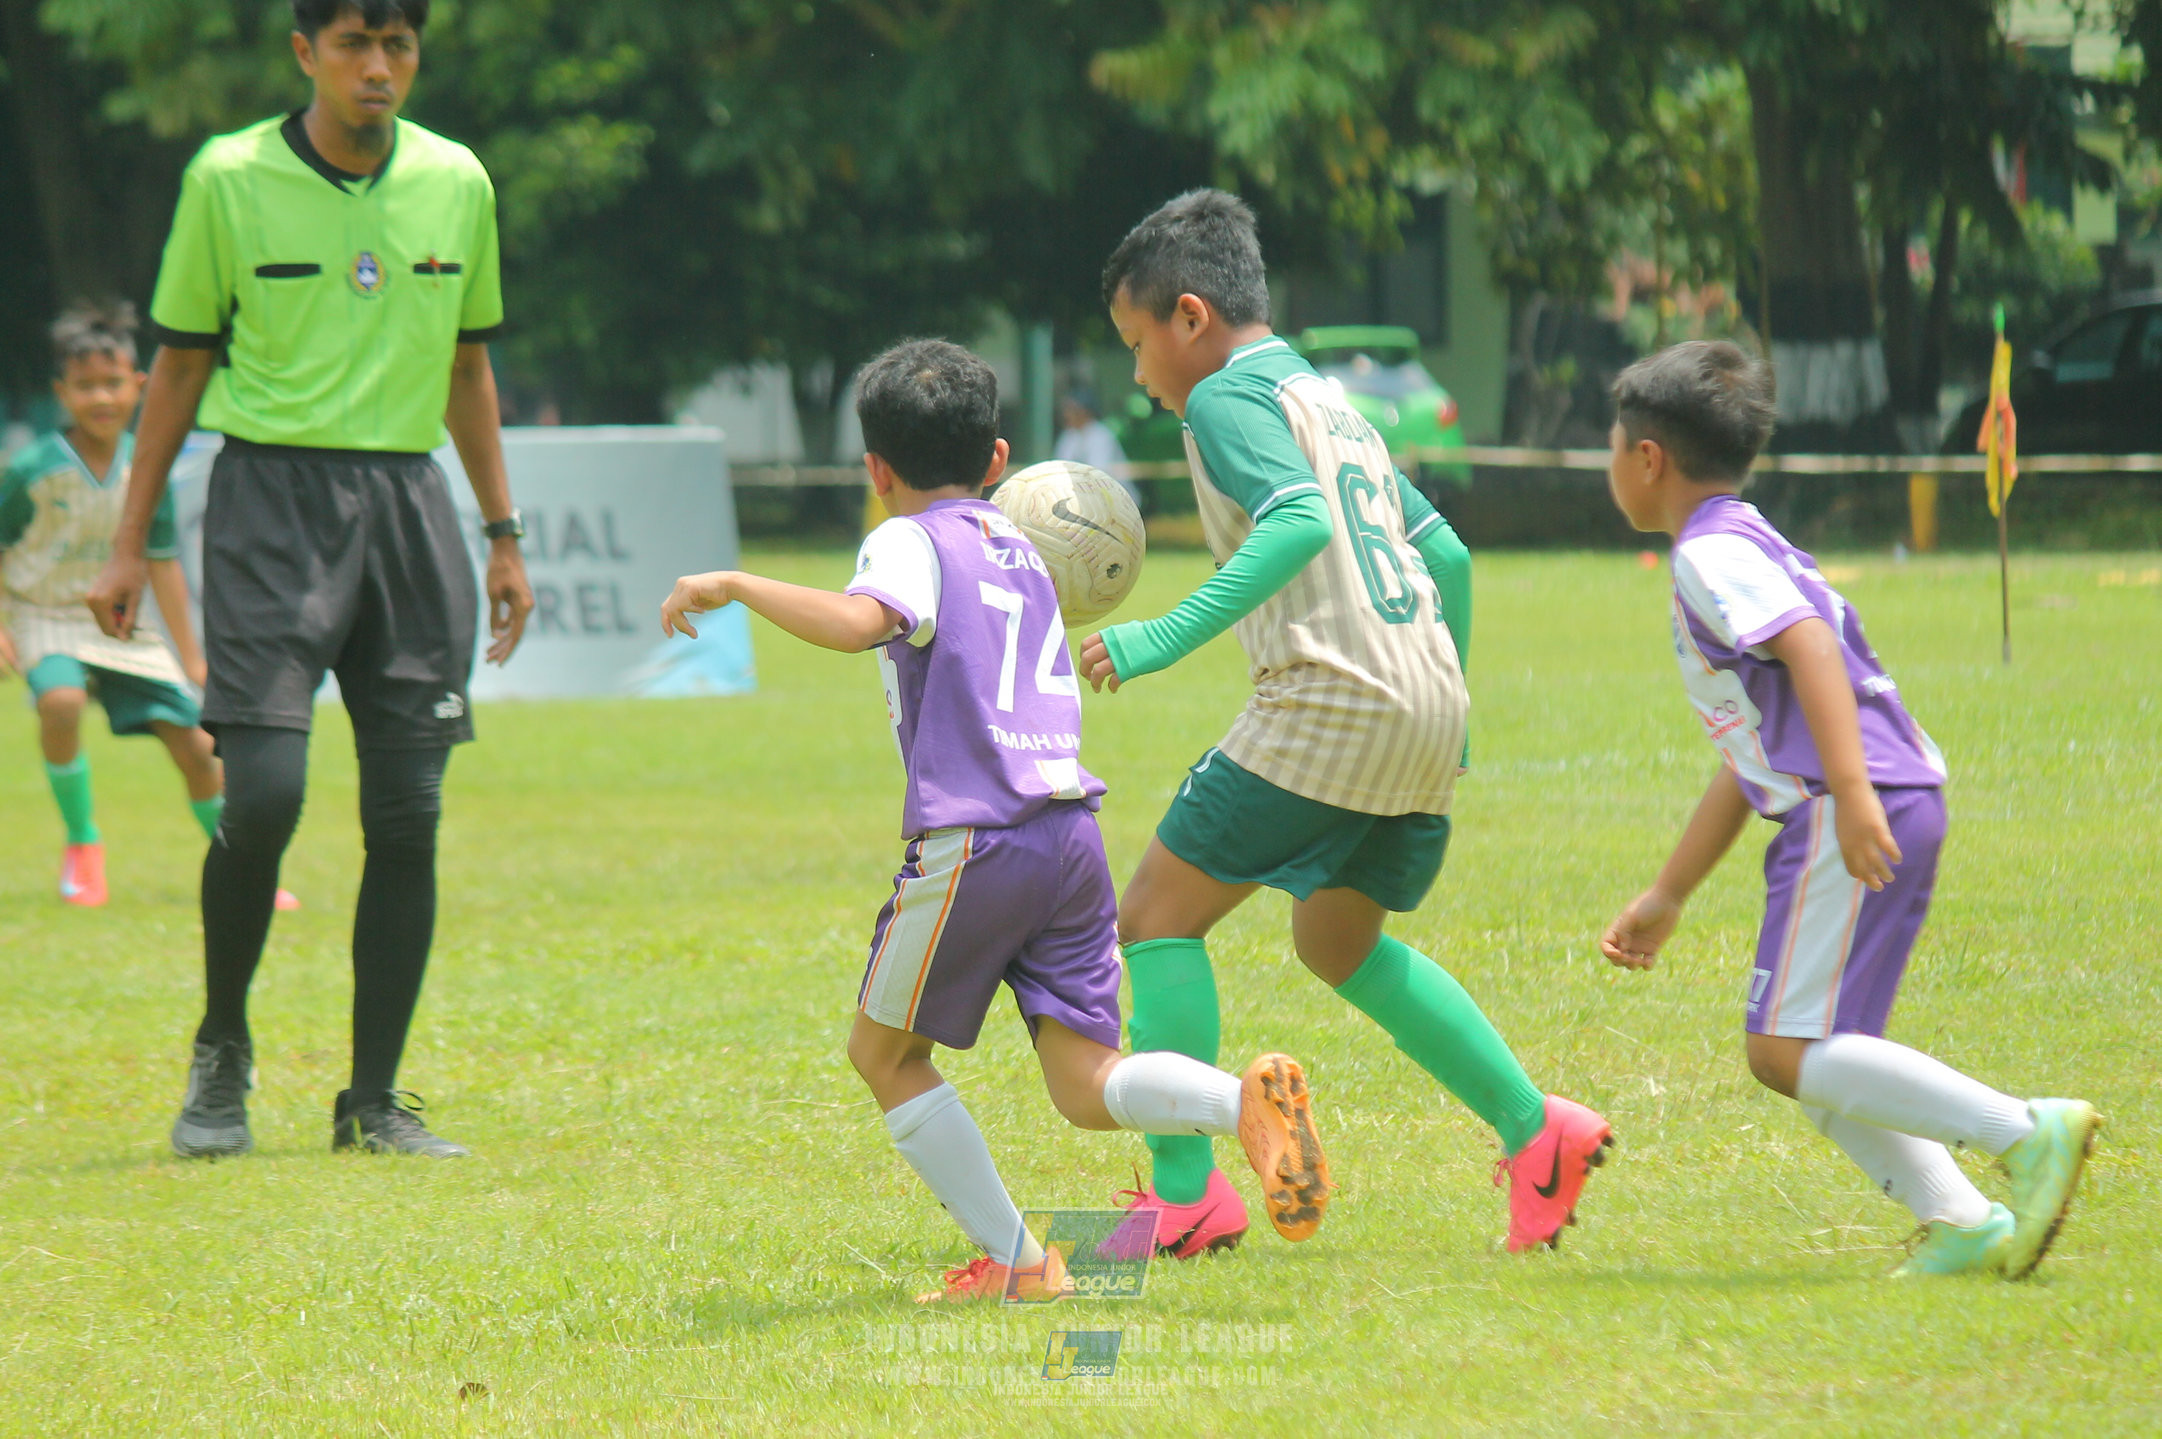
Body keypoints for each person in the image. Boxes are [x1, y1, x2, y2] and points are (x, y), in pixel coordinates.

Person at [659, 339, 1332, 1303]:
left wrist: (734, 584)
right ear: (998, 461)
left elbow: (861, 623)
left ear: (875, 470)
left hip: (977, 836)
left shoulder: (906, 538)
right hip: (1068, 831)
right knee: (1084, 1080)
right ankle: (1244, 1107)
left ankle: (1022, 1266)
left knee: (883, 1054)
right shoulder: (1026, 545)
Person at [1079, 190, 1613, 1258]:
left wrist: (1154, 638)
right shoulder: (1332, 402)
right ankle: (1533, 1129)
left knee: (1154, 917)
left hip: (1331, 700)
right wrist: (1446, 712)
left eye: (1137, 343)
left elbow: (1298, 519)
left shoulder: (1225, 400)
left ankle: (1185, 1198)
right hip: (1422, 698)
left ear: (1189, 316)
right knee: (1336, 937)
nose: (1138, 376)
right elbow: (1447, 555)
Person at [86, 0, 535, 1161]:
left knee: (408, 814)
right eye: (352, 45)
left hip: (407, 509)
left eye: (397, 46)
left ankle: (372, 1100)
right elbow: (178, 368)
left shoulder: (459, 180)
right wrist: (127, 541)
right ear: (304, 54)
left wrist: (501, 531)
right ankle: (221, 1051)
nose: (377, 68)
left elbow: (468, 364)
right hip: (268, 506)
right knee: (266, 794)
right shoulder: (226, 178)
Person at [1597, 340, 2099, 1278]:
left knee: (1782, 1049)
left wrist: (1855, 798)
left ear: (1649, 457)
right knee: (1820, 1048)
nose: (1609, 464)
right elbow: (1749, 752)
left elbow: (1815, 652)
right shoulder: (1745, 537)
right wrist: (1670, 891)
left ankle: (2026, 1133)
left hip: (1850, 803)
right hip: (1872, 795)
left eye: (1613, 445)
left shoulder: (1709, 553)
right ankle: (1961, 1221)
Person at [0, 302, 297, 913]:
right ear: (62, 393)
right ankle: (83, 844)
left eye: (113, 383)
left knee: (196, 747)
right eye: (85, 386)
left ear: (139, 386)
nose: (100, 398)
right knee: (60, 701)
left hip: (119, 626)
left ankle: (246, 872)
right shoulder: (31, 470)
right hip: (43, 612)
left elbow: (162, 563)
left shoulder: (148, 467)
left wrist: (192, 659)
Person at [1053, 387, 1138, 507]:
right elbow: (1059, 468)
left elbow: (1097, 472)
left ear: (1084, 411)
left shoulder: (1101, 435)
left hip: (1119, 504)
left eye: (1071, 409)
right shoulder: (1068, 436)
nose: (1066, 414)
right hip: (1087, 502)